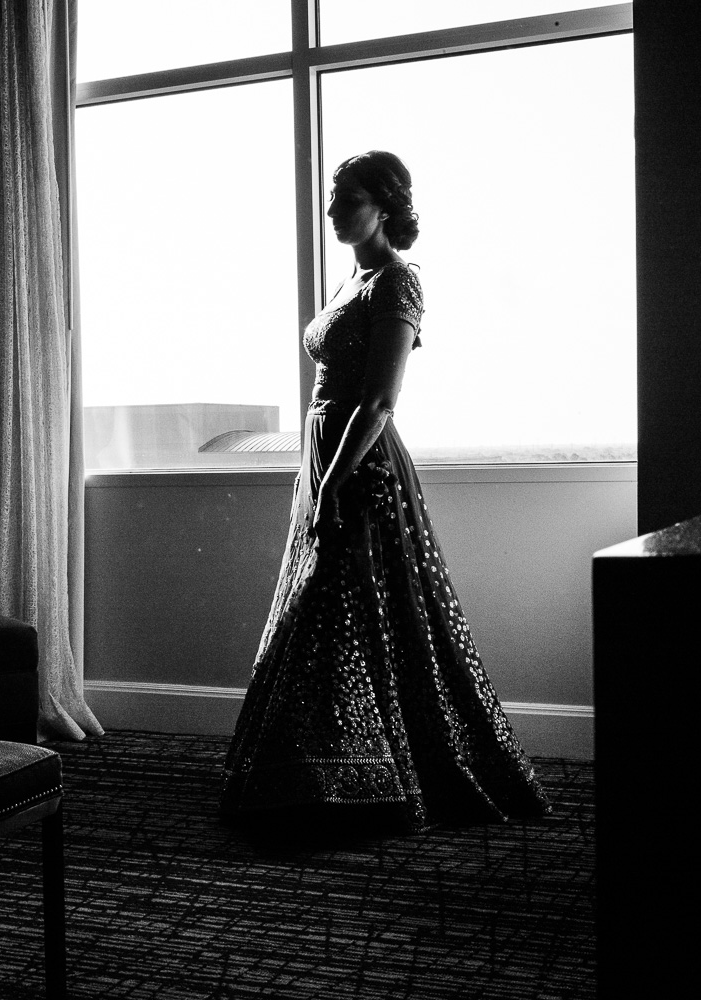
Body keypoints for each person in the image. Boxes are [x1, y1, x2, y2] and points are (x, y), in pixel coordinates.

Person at [219, 151, 551, 830]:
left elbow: (377, 402)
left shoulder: (397, 283)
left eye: (350, 199)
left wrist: (334, 482)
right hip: (322, 457)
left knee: (343, 610)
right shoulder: (351, 280)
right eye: (335, 199)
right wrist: (314, 480)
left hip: (358, 465)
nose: (336, 210)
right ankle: (317, 770)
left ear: (386, 207)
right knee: (325, 612)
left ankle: (361, 778)